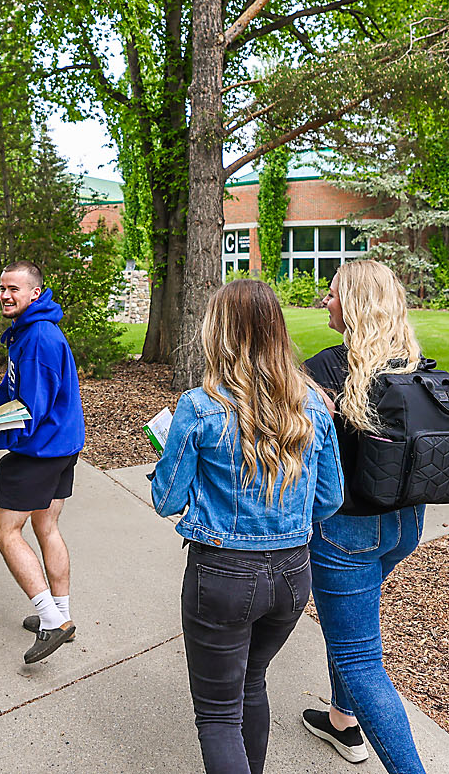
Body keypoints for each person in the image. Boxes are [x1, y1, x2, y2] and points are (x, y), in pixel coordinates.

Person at [151, 279, 343, 774]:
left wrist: (169, 468)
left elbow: (166, 498)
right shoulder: (315, 404)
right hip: (292, 575)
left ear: (220, 334)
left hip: (222, 575)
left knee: (217, 715)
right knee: (251, 680)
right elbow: (328, 500)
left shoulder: (199, 406)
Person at [299, 258, 429, 771]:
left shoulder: (326, 369)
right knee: (349, 626)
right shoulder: (414, 364)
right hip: (405, 525)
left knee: (359, 659)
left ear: (351, 305)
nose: (324, 301)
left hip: (345, 532)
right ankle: (341, 721)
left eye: (331, 294)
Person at [0, 259, 85, 664]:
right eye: (2, 288)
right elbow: (12, 387)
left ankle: (51, 622)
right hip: (61, 446)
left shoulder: (38, 338)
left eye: (14, 289)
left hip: (40, 451)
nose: (5, 295)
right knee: (46, 525)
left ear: (35, 292)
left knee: (5, 531)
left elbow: (28, 411)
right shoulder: (30, 330)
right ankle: (63, 617)